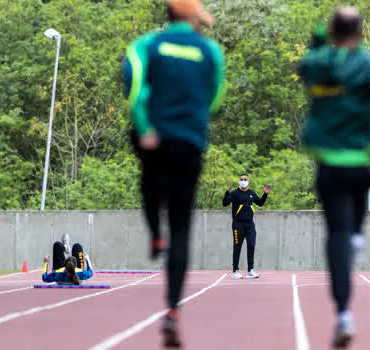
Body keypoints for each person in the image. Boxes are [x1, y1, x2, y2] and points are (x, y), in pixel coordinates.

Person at [122, 0, 225, 347]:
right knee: (182, 225)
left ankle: (154, 234)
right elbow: (214, 97)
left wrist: (145, 125)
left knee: (150, 184)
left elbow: (134, 88)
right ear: (192, 18)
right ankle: (173, 311)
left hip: (153, 138)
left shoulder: (146, 46)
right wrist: (193, 118)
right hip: (189, 142)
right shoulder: (210, 52)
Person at [297, 6, 370, 348]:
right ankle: (356, 232)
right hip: (364, 159)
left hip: (330, 161)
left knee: (336, 233)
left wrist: (324, 36)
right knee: (355, 212)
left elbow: (309, 54)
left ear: (332, 32)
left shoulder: (316, 65)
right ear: (361, 33)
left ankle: (343, 314)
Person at [222, 173, 271, 279]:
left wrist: (265, 194)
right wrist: (227, 192)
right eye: (241, 179)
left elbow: (260, 203)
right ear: (239, 181)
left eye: (245, 179)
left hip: (250, 225)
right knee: (237, 247)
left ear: (248, 181)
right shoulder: (234, 193)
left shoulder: (251, 193)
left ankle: (250, 270)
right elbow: (225, 203)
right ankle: (235, 271)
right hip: (237, 225)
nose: (243, 181)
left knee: (251, 245)